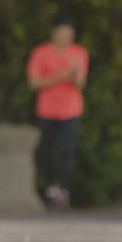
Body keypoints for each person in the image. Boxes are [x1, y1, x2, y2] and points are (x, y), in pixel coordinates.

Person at [27, 18, 89, 211]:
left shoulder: (79, 53)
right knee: (46, 151)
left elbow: (80, 82)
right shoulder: (41, 52)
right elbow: (35, 83)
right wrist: (61, 76)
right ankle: (49, 188)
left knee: (67, 150)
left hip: (71, 110)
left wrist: (72, 76)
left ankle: (63, 189)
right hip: (47, 109)